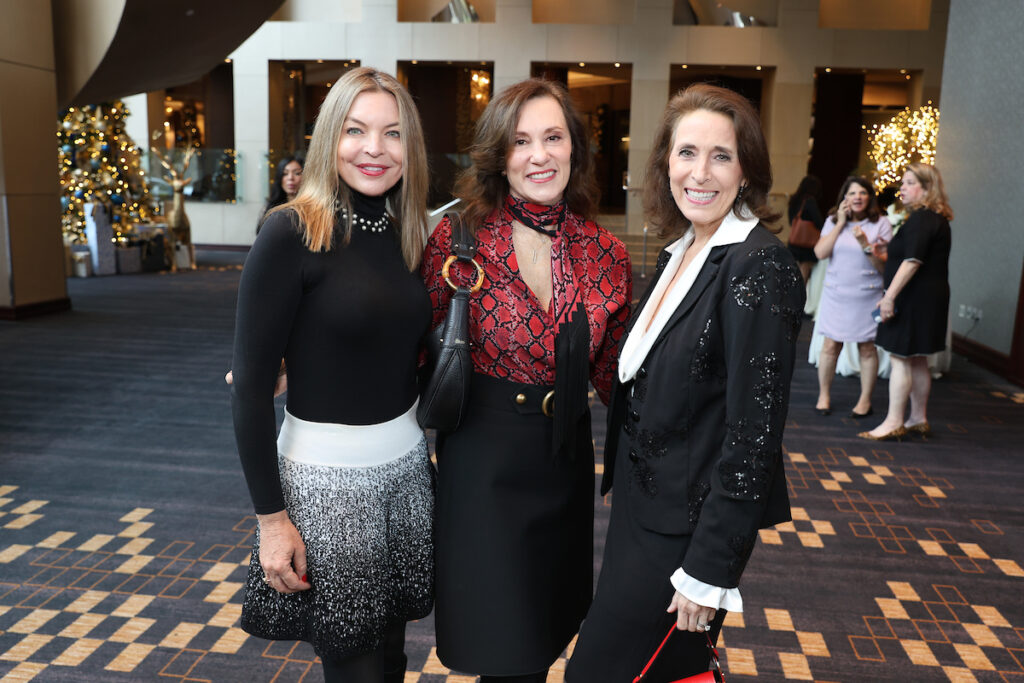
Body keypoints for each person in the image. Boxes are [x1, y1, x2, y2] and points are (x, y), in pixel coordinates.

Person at [567, 84, 805, 682]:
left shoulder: (758, 264)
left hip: (686, 537)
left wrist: (710, 572)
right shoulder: (686, 249)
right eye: (686, 153)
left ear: (747, 169)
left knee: (597, 672)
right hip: (641, 512)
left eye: (721, 155)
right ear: (664, 163)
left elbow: (755, 436)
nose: (700, 172)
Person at [420, 78, 632, 682]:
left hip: (563, 464)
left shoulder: (604, 253)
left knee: (538, 644)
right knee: (500, 649)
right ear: (497, 156)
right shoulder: (458, 242)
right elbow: (404, 343)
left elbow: (617, 380)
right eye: (521, 142)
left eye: (553, 137)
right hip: (481, 467)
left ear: (575, 148)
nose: (539, 155)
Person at [229, 67, 433, 682]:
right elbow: (247, 394)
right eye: (356, 131)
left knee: (391, 658)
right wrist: (270, 521)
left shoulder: (409, 232)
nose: (375, 149)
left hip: (405, 471)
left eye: (393, 134)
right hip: (327, 482)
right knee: (359, 669)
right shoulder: (291, 231)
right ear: (328, 138)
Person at [860, 162, 953, 441]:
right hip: (930, 298)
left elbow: (913, 261)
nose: (902, 187)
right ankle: (917, 419)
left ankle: (893, 422)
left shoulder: (922, 219)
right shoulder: (936, 219)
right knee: (918, 359)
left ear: (927, 189)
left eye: (909, 182)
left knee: (900, 358)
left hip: (913, 298)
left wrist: (889, 297)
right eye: (903, 182)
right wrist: (890, 249)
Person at [812, 176, 893, 418]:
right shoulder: (832, 221)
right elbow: (820, 253)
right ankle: (823, 395)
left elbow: (884, 268)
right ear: (844, 198)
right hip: (836, 293)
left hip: (867, 295)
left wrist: (865, 244)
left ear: (869, 198)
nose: (857, 197)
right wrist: (840, 224)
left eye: (862, 193)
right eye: (852, 193)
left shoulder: (881, 224)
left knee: (867, 348)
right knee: (830, 345)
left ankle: (865, 401)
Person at [787, 174, 825, 282]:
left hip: (794, 242)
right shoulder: (809, 201)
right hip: (806, 246)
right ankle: (799, 298)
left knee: (793, 273)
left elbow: (791, 221)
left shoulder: (794, 200)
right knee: (804, 273)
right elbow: (818, 222)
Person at [257, 155, 304, 233]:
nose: (290, 178)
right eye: (285, 173)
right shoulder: (270, 207)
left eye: (297, 173)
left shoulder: (311, 208)